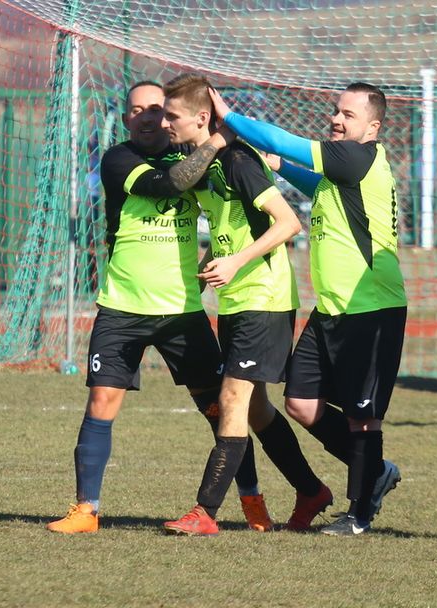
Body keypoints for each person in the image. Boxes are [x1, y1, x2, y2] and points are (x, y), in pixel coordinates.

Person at [46, 81, 274, 534]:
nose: (149, 117)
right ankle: (86, 510)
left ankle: (252, 501)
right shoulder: (119, 159)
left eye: (158, 109)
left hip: (182, 311)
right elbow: (169, 184)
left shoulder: (194, 154)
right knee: (101, 401)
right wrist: (218, 140)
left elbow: (232, 192)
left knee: (222, 412)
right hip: (122, 308)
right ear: (126, 119)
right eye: (138, 110)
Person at [208, 81, 404, 537]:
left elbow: (284, 141)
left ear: (373, 127)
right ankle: (375, 471)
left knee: (362, 416)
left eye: (348, 115)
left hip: (370, 308)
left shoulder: (359, 157)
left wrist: (230, 118)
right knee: (299, 401)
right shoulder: (344, 173)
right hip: (332, 308)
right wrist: (278, 167)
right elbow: (317, 185)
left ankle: (359, 514)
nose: (336, 119)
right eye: (336, 111)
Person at [159, 74, 333, 536]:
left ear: (201, 117)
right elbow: (230, 228)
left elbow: (288, 223)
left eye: (172, 115)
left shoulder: (237, 160)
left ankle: (205, 512)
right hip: (237, 299)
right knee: (256, 410)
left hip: (265, 298)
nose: (165, 123)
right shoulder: (206, 161)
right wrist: (209, 265)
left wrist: (235, 262)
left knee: (232, 398)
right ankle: (311, 491)